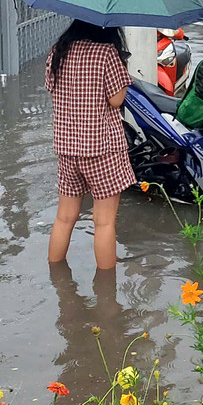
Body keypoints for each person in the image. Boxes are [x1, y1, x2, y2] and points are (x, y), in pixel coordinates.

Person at [45, 19, 135, 270]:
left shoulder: (58, 51)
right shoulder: (106, 53)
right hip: (101, 149)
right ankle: (107, 294)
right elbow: (117, 100)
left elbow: (52, 89)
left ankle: (58, 280)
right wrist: (122, 64)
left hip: (67, 149)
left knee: (64, 218)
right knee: (104, 222)